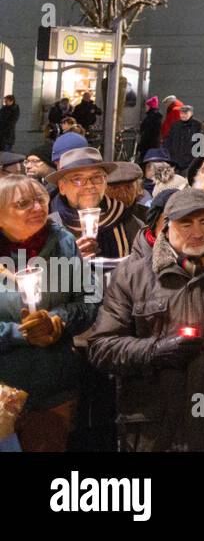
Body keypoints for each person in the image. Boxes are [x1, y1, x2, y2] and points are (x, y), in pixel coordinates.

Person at [86, 188, 204, 451]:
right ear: (166, 227)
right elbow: (102, 347)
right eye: (186, 224)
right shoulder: (132, 275)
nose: (197, 232)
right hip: (156, 426)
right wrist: (156, 350)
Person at [0, 174, 98, 451]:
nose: (37, 208)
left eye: (40, 199)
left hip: (51, 390)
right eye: (23, 203)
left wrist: (58, 321)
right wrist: (19, 333)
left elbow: (89, 299)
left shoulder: (64, 242)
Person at [47, 147, 142, 259]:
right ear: (62, 187)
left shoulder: (127, 221)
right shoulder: (49, 228)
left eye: (96, 177)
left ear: (105, 182)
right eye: (77, 179)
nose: (89, 185)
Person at [164, 104, 202, 170]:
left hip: (190, 161)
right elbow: (169, 140)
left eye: (185, 113)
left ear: (191, 113)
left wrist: (197, 160)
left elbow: (201, 144)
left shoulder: (197, 125)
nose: (183, 115)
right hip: (175, 161)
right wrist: (169, 154)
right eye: (181, 113)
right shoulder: (175, 125)